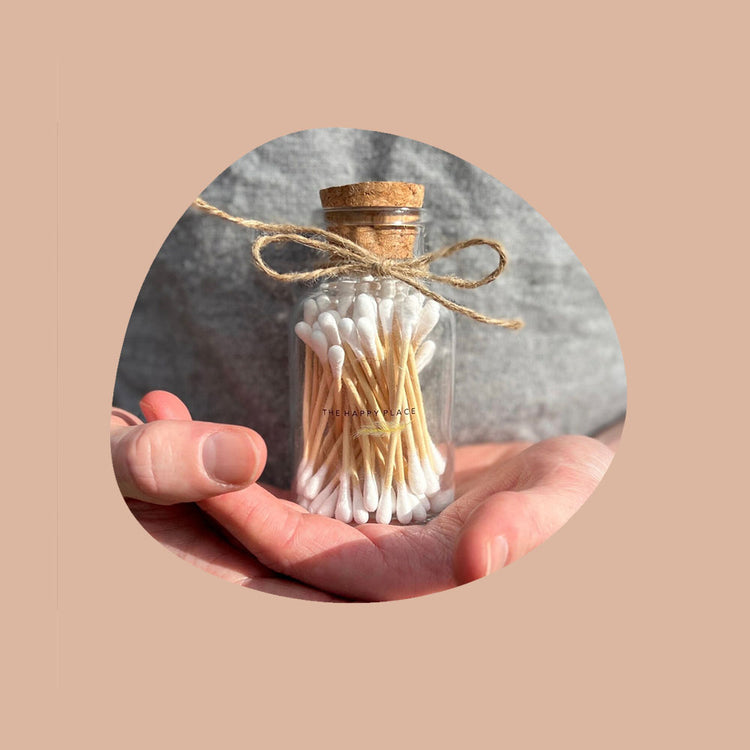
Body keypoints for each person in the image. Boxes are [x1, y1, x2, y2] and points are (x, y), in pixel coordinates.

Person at [111, 128, 626, 601]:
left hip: (533, 457)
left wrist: (611, 458)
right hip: (202, 510)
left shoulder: (415, 312)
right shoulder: (348, 310)